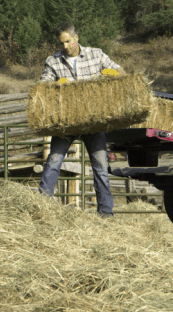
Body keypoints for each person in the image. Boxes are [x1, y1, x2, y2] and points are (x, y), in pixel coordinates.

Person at [37, 21, 125, 218]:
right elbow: (42, 88)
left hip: (93, 120)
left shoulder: (96, 54)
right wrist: (56, 85)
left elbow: (121, 72)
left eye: (68, 41)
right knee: (53, 161)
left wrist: (111, 74)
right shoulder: (53, 61)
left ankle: (105, 213)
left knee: (101, 166)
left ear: (76, 38)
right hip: (66, 121)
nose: (65, 47)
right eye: (62, 43)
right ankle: (41, 205)